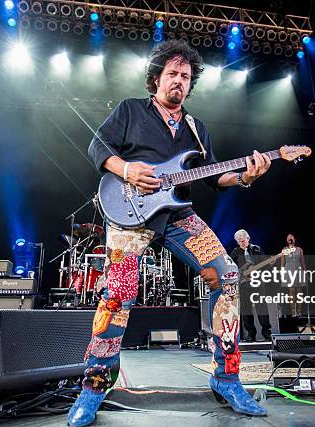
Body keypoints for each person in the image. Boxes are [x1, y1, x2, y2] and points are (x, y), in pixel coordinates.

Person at [69, 40, 273, 426]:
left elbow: (215, 176)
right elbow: (98, 145)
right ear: (156, 79)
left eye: (186, 77)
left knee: (227, 276)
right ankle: (94, 387)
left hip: (179, 217)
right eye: (172, 74)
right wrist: (126, 170)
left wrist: (245, 176)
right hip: (129, 215)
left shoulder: (196, 129)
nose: (179, 81)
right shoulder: (131, 110)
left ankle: (227, 377)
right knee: (117, 295)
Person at [230, 229, 272, 342]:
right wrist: (240, 273)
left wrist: (268, 263)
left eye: (242, 241)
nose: (241, 244)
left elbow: (265, 265)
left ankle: (267, 333)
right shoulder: (235, 252)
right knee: (246, 310)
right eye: (238, 241)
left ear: (248, 239)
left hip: (257, 282)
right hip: (243, 284)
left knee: (262, 308)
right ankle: (250, 334)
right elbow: (230, 268)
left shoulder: (257, 249)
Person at [279, 233, 306, 317]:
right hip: (289, 270)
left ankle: (299, 311)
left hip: (298, 270)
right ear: (287, 241)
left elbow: (302, 262)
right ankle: (293, 311)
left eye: (292, 239)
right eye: (288, 239)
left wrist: (305, 272)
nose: (290, 240)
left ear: (294, 240)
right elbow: (282, 263)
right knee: (292, 291)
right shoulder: (284, 249)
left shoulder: (299, 249)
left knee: (299, 292)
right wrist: (282, 273)